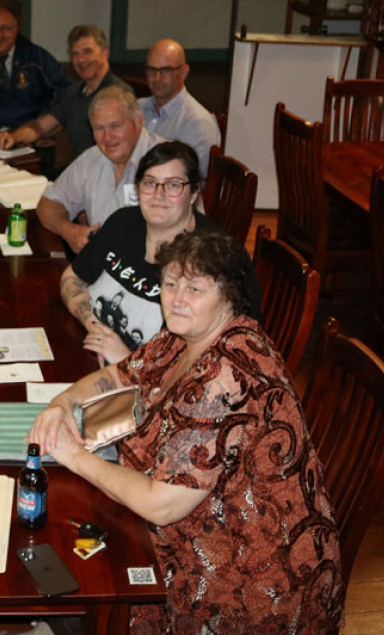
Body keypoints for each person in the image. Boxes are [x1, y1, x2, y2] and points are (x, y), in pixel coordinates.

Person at [27, 230, 345, 632]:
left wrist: (74, 456)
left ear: (228, 296)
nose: (177, 298)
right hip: (186, 524)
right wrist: (61, 404)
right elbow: (119, 375)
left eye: (195, 288)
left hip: (247, 581)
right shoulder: (183, 337)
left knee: (73, 553)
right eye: (171, 283)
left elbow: (162, 505)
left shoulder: (227, 375)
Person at [59, 141, 261, 364]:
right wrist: (94, 326)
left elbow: (222, 358)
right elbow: (72, 278)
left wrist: (128, 363)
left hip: (150, 389)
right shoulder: (122, 223)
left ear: (194, 193)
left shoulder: (216, 259)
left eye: (173, 185)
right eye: (150, 183)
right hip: (90, 353)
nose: (158, 194)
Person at [36, 86, 166, 254]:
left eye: (115, 126)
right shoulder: (93, 158)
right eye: (99, 128)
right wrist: (69, 231)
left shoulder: (168, 162)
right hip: (99, 266)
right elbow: (49, 203)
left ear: (138, 122)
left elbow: (187, 240)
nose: (107, 138)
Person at [0, 25, 132, 172]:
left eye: (87, 52)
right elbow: (41, 126)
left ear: (105, 53)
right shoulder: (74, 92)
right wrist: (13, 137)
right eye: (75, 54)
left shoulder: (120, 94)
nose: (81, 59)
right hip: (76, 173)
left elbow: (124, 154)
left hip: (103, 175)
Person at [0, 7, 68, 131]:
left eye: (5, 28)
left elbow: (66, 93)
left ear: (16, 29)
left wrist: (44, 127)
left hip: (34, 138)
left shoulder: (37, 59)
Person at [138, 39, 220, 174]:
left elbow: (193, 182)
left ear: (183, 72)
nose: (157, 78)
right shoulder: (136, 108)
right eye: (151, 69)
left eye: (166, 70)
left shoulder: (198, 123)